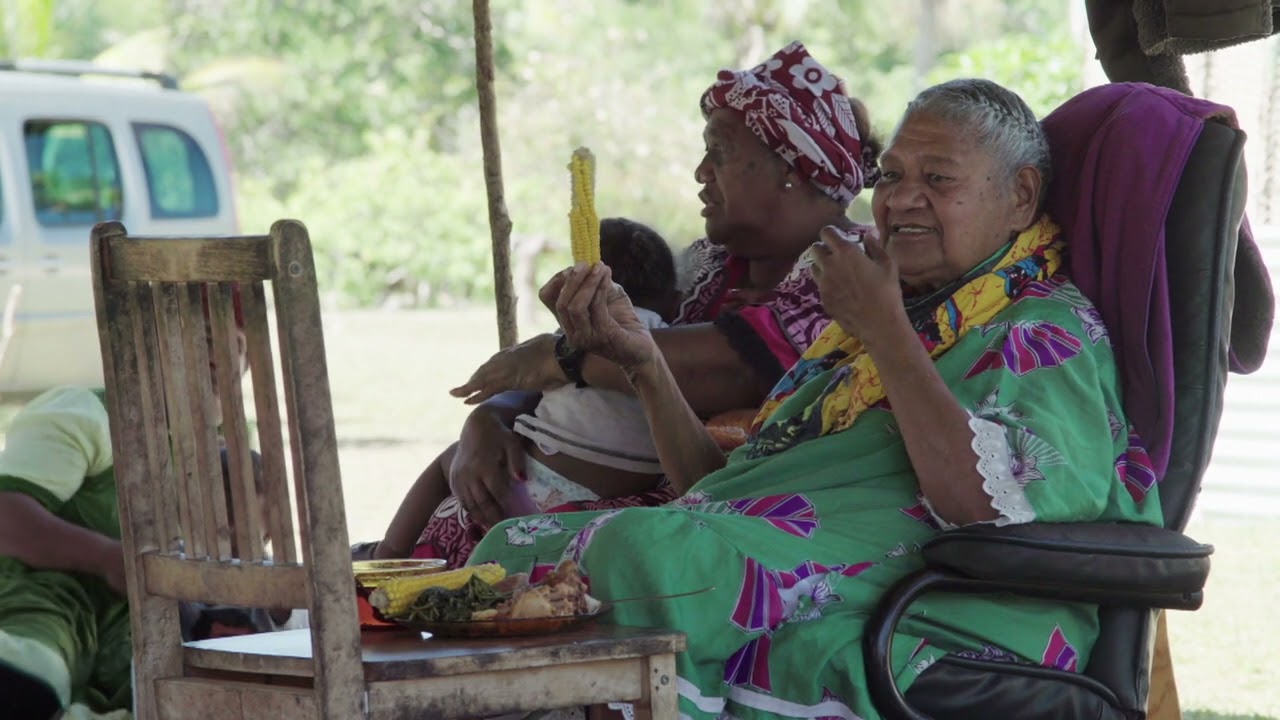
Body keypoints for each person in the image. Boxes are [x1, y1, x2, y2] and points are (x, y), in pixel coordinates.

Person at [467, 78, 1164, 719]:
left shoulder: (1044, 329)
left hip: (949, 602)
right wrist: (646, 364)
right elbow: (732, 497)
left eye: (938, 179)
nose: (901, 198)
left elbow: (986, 507)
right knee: (515, 545)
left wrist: (886, 330)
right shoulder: (876, 328)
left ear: (1019, 197)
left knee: (640, 553)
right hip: (802, 568)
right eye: (890, 176)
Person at [359, 41, 882, 565]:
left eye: (718, 151)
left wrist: (552, 357)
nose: (701, 172)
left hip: (728, 539)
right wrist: (491, 418)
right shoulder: (705, 267)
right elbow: (601, 376)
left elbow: (705, 368)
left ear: (790, 166)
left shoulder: (850, 271)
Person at [0, 292, 295, 719]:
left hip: (129, 659)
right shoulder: (87, 413)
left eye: (239, 347)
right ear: (150, 346)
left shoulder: (220, 460)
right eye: (205, 338)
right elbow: (7, 515)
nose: (222, 357)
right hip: (35, 611)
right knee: (35, 672)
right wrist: (110, 559)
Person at [372, 218, 679, 567]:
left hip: (537, 485)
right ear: (675, 301)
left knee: (452, 457)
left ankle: (389, 555)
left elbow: (531, 388)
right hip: (620, 494)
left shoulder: (578, 333)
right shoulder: (672, 346)